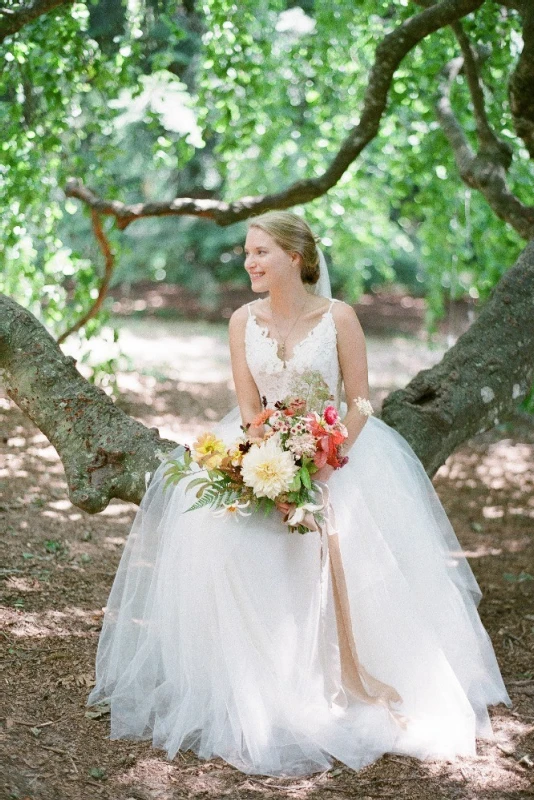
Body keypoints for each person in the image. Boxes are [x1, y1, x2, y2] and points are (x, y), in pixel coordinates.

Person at [87, 211, 511, 777]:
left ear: (296, 257)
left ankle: (345, 679)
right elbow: (247, 411)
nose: (249, 262)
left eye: (261, 251)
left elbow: (360, 401)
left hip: (341, 456)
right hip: (264, 455)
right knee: (228, 538)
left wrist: (327, 457)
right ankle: (259, 689)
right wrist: (271, 464)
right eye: (246, 252)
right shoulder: (241, 321)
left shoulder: (341, 318)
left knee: (348, 555)